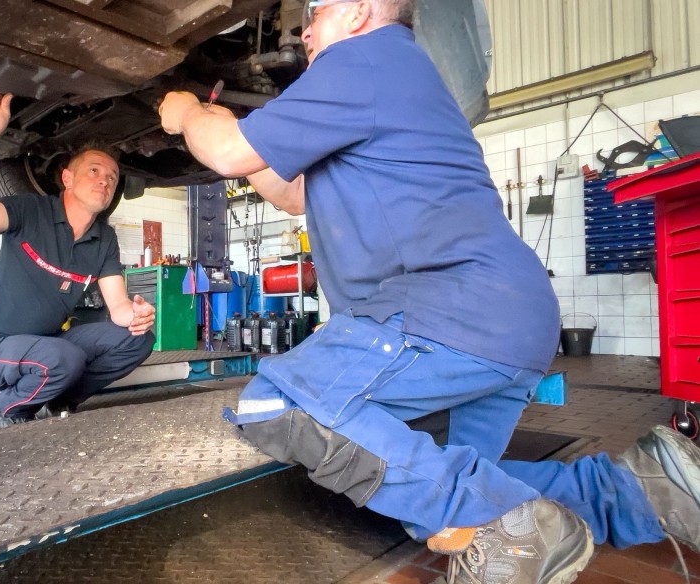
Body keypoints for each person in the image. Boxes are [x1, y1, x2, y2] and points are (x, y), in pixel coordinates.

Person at [158, 1, 700, 583]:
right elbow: (293, 194)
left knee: (279, 403)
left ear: (360, 11)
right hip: (509, 323)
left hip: (446, 311)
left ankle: (510, 525)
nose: (305, 30)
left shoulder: (361, 58)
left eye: (317, 10)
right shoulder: (394, 74)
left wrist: (187, 112)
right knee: (436, 494)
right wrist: (236, 133)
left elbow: (226, 152)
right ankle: (637, 491)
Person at [0, 87, 156, 429]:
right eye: (94, 171)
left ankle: (57, 402)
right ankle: (10, 412)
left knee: (138, 339)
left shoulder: (104, 239)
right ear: (67, 178)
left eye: (112, 178)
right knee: (62, 357)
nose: (104, 181)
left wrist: (137, 315)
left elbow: (118, 308)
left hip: (49, 344)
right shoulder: (30, 211)